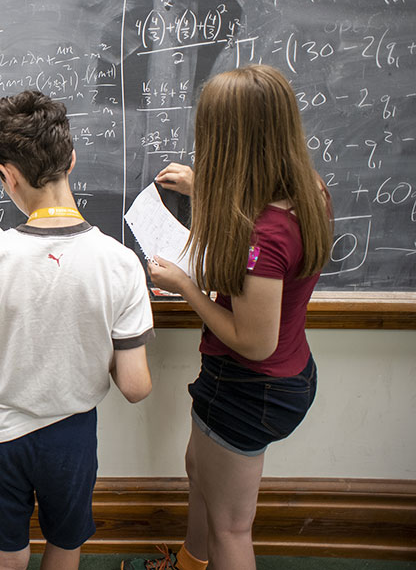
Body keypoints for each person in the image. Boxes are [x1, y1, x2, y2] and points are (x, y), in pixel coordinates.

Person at [124, 64, 333, 570]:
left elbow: (252, 340)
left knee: (231, 527)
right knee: (200, 466)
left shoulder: (261, 238)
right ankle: (192, 564)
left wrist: (186, 287)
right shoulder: (309, 192)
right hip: (280, 375)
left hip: (249, 385)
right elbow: (254, 204)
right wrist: (203, 191)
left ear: (232, 143)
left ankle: (204, 559)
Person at [0, 89, 154, 570]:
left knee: (6, 556)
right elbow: (137, 386)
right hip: (71, 436)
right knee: (65, 545)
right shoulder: (121, 264)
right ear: (71, 159)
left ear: (6, 176)